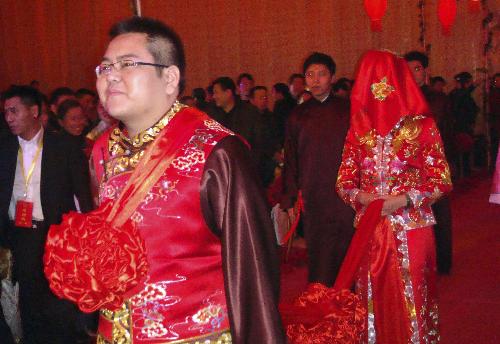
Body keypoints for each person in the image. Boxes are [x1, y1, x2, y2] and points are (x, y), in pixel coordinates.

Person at [43, 17, 284, 344]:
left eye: (127, 64)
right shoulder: (102, 151)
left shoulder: (215, 152)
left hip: (196, 336)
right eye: (104, 67)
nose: (110, 75)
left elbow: (253, 272)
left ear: (169, 78)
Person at [336, 50, 452, 343]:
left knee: (414, 296)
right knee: (371, 295)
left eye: (386, 81)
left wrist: (402, 200)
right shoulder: (358, 131)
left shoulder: (422, 126)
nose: (380, 89)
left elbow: (441, 180)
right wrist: (363, 197)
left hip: (412, 227)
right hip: (370, 229)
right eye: (372, 81)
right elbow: (344, 180)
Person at [0, 85, 94, 343]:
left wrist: (87, 236)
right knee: (28, 303)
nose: (8, 117)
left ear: (33, 111)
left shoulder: (62, 146)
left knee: (58, 303)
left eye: (14, 111)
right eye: (6, 112)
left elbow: (82, 194)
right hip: (19, 235)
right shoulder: (4, 147)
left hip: (56, 235)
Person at [280, 52, 354, 287]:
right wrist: (290, 197)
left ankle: (349, 300)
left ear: (332, 77)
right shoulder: (298, 115)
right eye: (310, 75)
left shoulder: (348, 110)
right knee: (319, 250)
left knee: (347, 247)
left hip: (345, 193)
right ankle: (320, 300)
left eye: (321, 74)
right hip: (313, 194)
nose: (315, 80)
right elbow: (291, 158)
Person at [405, 50, 454, 274]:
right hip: (408, 170)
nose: (412, 74)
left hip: (435, 166)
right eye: (407, 69)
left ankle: (442, 263)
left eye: (416, 68)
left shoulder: (438, 100)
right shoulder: (400, 102)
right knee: (414, 219)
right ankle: (418, 262)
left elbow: (449, 133)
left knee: (439, 216)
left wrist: (446, 166)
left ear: (425, 71)